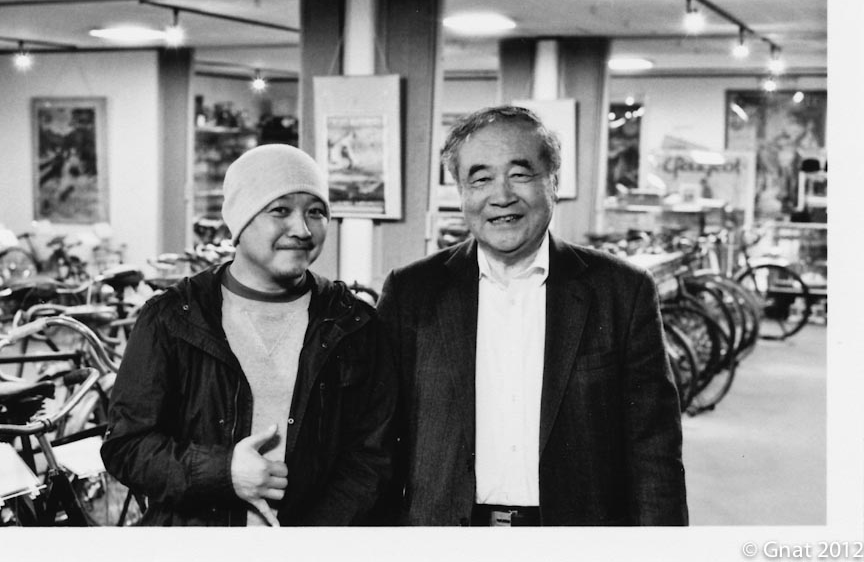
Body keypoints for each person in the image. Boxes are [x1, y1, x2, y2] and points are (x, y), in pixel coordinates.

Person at [376, 105, 687, 526]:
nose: (501, 196)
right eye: (480, 179)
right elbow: (378, 443)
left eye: (520, 174)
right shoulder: (412, 292)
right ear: (461, 193)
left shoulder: (621, 292)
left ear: (553, 183)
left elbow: (654, 451)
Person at [101, 143, 396, 526]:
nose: (302, 229)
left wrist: (311, 537)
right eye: (280, 210)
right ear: (240, 220)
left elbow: (372, 457)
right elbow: (127, 447)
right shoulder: (172, 318)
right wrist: (223, 473)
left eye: (316, 212)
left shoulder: (353, 323)